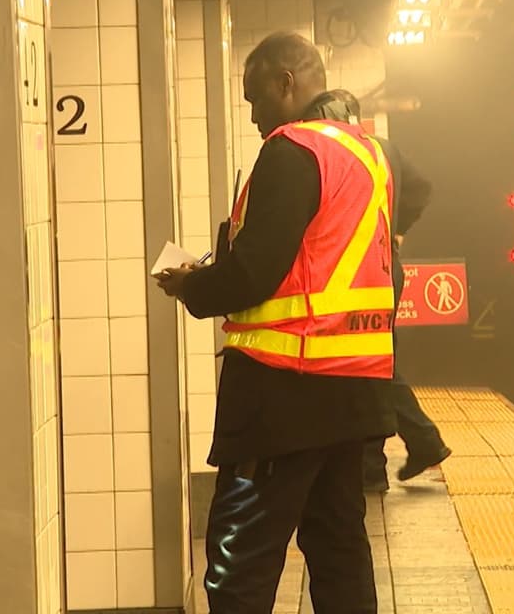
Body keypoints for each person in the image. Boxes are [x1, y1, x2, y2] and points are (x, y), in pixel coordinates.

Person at [155, 32, 394, 614]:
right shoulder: (365, 155)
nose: (254, 114)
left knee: (240, 562)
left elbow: (254, 274)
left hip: (282, 390)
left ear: (287, 83)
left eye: (254, 97)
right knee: (339, 551)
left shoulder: (291, 152)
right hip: (353, 390)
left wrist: (190, 285)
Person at [313, 92, 452, 492]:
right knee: (372, 364)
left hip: (362, 275)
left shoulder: (345, 154)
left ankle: (417, 443)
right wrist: (397, 229)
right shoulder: (382, 151)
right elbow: (422, 188)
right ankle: (385, 459)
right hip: (384, 266)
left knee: (372, 366)